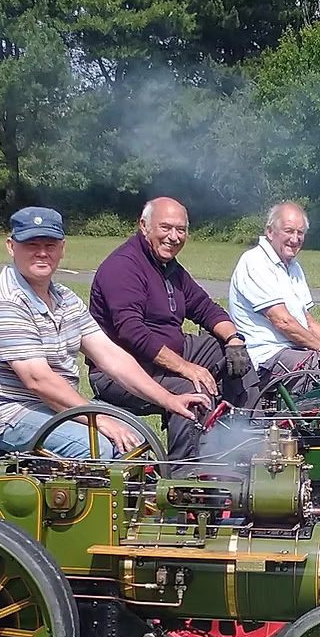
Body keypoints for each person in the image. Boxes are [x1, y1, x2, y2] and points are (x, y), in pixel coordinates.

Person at [0, 206, 211, 459]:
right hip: (7, 415)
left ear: (62, 248)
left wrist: (168, 399)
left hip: (49, 406)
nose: (41, 253)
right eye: (31, 244)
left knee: (139, 436)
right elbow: (38, 380)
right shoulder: (6, 302)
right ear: (11, 246)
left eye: (50, 245)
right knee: (104, 449)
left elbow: (111, 357)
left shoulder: (65, 299)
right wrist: (98, 420)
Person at [87, 196, 254, 462]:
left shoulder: (169, 268)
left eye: (180, 229)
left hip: (165, 355)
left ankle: (243, 436)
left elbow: (206, 308)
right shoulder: (122, 267)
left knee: (232, 354)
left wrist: (234, 340)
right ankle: (184, 472)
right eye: (165, 228)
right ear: (144, 226)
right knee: (191, 390)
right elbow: (133, 333)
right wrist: (186, 367)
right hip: (120, 370)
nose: (173, 237)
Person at [229, 201, 320, 380]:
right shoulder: (254, 262)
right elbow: (283, 322)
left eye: (300, 232)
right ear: (269, 231)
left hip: (294, 350)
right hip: (266, 358)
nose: (295, 239)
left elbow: (308, 322)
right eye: (289, 231)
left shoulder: (293, 267)